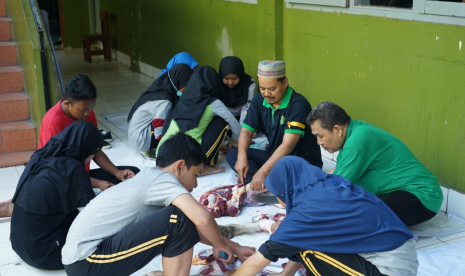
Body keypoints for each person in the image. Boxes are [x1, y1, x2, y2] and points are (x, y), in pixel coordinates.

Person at [61, 133, 256, 276]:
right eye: (195, 175)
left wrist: (234, 246)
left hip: (85, 260)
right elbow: (203, 219)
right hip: (87, 261)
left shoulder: (150, 177)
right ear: (179, 166)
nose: (196, 185)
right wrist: (220, 245)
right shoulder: (162, 180)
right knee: (178, 218)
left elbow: (194, 228)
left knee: (180, 219)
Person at [229, 156, 419, 276]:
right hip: (400, 256)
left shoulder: (306, 214)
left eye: (277, 194)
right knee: (299, 239)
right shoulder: (332, 184)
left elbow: (256, 262)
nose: (279, 200)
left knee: (304, 247)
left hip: (389, 269)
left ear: (285, 189)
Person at [0, 75, 140, 218]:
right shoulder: (53, 121)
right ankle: (13, 207)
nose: (88, 112)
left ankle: (21, 204)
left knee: (131, 174)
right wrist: (96, 183)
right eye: (83, 109)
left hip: (80, 177)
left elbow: (95, 151)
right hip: (58, 180)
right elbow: (57, 171)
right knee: (68, 209)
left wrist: (117, 172)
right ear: (67, 103)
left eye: (91, 107)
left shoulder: (87, 114)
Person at [307, 101, 443, 226]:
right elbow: (335, 174)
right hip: (402, 193)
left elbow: (335, 188)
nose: (319, 142)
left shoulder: (358, 141)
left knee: (348, 216)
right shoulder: (354, 134)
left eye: (320, 136)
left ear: (337, 130)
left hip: (420, 196)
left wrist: (304, 201)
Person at [10, 121, 104, 270]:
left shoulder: (40, 155)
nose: (91, 157)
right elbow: (89, 217)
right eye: (92, 153)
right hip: (47, 255)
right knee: (106, 229)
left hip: (20, 245)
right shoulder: (73, 168)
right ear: (85, 149)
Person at [226, 60, 322, 190]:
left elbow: (288, 145)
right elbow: (246, 131)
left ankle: (266, 182)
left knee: (285, 174)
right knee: (234, 154)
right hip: (274, 158)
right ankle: (270, 183)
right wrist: (241, 157)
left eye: (272, 89)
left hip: (300, 163)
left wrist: (262, 172)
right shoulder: (259, 99)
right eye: (262, 88)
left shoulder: (299, 104)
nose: (266, 93)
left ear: (285, 82)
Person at [157, 66, 241, 176]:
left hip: (162, 155)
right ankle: (203, 166)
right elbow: (236, 125)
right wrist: (234, 140)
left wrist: (218, 144)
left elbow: (190, 128)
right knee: (222, 121)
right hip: (189, 160)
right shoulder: (213, 103)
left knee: (177, 119)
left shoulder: (183, 99)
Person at [128, 64, 193, 157]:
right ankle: (156, 149)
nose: (188, 90)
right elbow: (160, 128)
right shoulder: (164, 100)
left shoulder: (162, 90)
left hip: (138, 134)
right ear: (178, 81)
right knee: (171, 118)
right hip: (141, 140)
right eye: (186, 86)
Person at [218, 56, 255, 124]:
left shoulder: (249, 83)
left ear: (240, 75)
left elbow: (247, 106)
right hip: (222, 117)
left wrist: (242, 127)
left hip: (244, 115)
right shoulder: (217, 82)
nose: (230, 82)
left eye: (235, 78)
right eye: (226, 79)